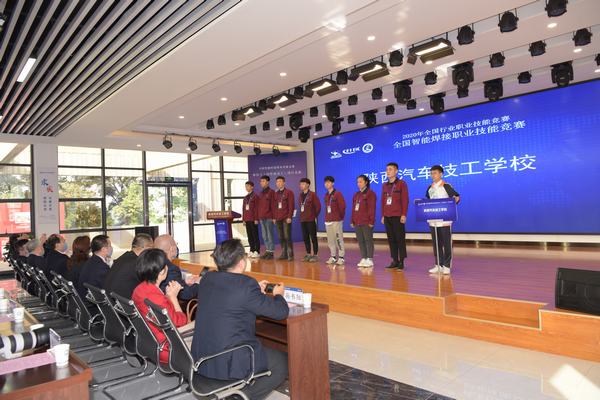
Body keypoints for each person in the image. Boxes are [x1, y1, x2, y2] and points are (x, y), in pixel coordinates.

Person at [191, 239, 289, 400]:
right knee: (281, 363)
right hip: (227, 361)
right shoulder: (246, 285)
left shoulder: (208, 279)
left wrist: (255, 292)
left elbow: (229, 295)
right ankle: (241, 397)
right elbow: (280, 312)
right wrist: (278, 295)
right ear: (242, 262)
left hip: (201, 357)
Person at [132, 248, 188, 364]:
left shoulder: (139, 289)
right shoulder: (157, 298)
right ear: (162, 272)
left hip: (148, 342)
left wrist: (168, 296)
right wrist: (173, 297)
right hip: (167, 347)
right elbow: (182, 322)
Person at [426, 165, 460, 275]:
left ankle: (446, 265)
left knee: (446, 243)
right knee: (436, 244)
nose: (433, 175)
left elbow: (456, 197)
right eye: (431, 173)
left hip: (445, 220)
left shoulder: (446, 186)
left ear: (441, 174)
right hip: (433, 220)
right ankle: (438, 265)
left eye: (435, 173)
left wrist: (454, 200)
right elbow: (427, 202)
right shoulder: (430, 188)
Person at [104, 233, 154, 299]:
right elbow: (147, 286)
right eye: (152, 249)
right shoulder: (136, 263)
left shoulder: (124, 257)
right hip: (122, 302)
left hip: (111, 300)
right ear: (147, 248)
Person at [381, 162, 409, 270]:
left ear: (396, 171)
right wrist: (383, 215)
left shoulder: (402, 184)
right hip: (387, 216)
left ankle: (401, 261)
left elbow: (405, 200)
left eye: (390, 169)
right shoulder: (385, 185)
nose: (388, 171)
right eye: (387, 169)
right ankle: (394, 260)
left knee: (399, 239)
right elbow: (383, 201)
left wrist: (404, 214)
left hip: (398, 216)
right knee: (391, 239)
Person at [155, 234, 199, 301]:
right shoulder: (171, 268)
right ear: (172, 249)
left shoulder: (153, 263)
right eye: (176, 245)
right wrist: (198, 283)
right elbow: (186, 294)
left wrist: (184, 282)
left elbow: (167, 284)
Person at [351, 175, 377, 268]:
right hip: (357, 221)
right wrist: (352, 220)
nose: (359, 183)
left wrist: (371, 221)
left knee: (368, 240)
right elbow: (354, 208)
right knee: (360, 240)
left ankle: (369, 258)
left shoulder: (371, 194)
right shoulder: (356, 194)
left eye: (361, 181)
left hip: (366, 221)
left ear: (366, 182)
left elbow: (372, 208)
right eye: (357, 182)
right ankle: (364, 257)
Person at [77, 235, 112, 300]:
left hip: (85, 299)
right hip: (94, 302)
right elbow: (109, 289)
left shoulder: (91, 261)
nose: (111, 248)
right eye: (110, 246)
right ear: (103, 249)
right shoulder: (102, 268)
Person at [323, 176, 346, 265]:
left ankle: (341, 257)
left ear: (333, 183)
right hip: (328, 220)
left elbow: (342, 207)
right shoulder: (326, 195)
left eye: (329, 182)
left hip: (336, 220)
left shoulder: (337, 194)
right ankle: (333, 256)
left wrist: (340, 218)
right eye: (325, 182)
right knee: (330, 240)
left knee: (338, 239)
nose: (327, 184)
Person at [298, 178, 321, 262]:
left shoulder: (312, 194)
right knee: (305, 237)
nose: (301, 185)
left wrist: (313, 216)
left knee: (313, 237)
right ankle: (308, 254)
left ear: (308, 185)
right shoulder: (300, 195)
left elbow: (318, 207)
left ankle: (315, 255)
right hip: (303, 219)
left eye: (303, 184)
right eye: (300, 184)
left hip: (310, 219)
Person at [272, 176, 295, 261]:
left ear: (284, 182)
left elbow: (291, 206)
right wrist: (274, 217)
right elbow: (274, 207)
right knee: (280, 236)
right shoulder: (275, 193)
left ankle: (290, 254)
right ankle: (284, 253)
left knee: (287, 236)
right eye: (277, 182)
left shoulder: (289, 192)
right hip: (278, 218)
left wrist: (289, 217)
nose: (278, 183)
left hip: (286, 218)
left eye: (280, 181)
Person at [257, 175, 276, 260]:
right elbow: (259, 206)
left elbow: (273, 205)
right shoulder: (261, 193)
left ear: (268, 182)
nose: (261, 183)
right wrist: (259, 216)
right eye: (261, 181)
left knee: (269, 234)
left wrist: (274, 217)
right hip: (262, 217)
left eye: (263, 181)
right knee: (264, 235)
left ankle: (271, 252)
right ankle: (267, 250)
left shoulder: (272, 192)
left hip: (269, 217)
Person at [242, 181, 260, 258]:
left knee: (255, 235)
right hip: (247, 219)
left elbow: (257, 209)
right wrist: (243, 219)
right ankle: (251, 250)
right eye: (246, 186)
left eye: (248, 186)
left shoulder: (255, 196)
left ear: (252, 187)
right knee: (249, 236)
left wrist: (256, 219)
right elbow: (243, 209)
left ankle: (257, 251)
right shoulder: (245, 197)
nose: (246, 188)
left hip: (253, 219)